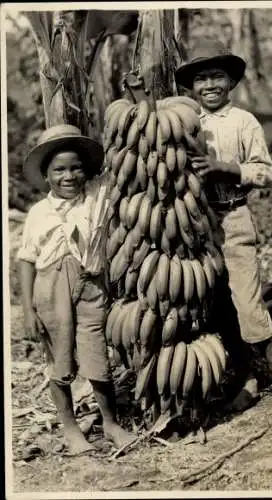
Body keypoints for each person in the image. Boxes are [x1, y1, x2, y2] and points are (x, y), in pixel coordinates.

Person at [175, 42, 272, 419]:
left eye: (216, 76)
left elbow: (267, 171)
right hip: (195, 224)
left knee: (248, 304)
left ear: (230, 80)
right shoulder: (184, 120)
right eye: (201, 78)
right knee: (218, 308)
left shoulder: (242, 121)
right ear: (191, 87)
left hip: (233, 216)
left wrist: (228, 168)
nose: (209, 85)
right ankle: (247, 378)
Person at [17, 124, 134, 455]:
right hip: (51, 289)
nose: (68, 176)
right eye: (59, 170)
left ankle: (110, 423)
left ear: (87, 171)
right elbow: (25, 260)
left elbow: (123, 161)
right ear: (47, 175)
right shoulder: (38, 213)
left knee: (97, 355)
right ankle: (70, 430)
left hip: (91, 286)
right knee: (60, 360)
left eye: (75, 168)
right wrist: (27, 310)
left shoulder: (96, 199)